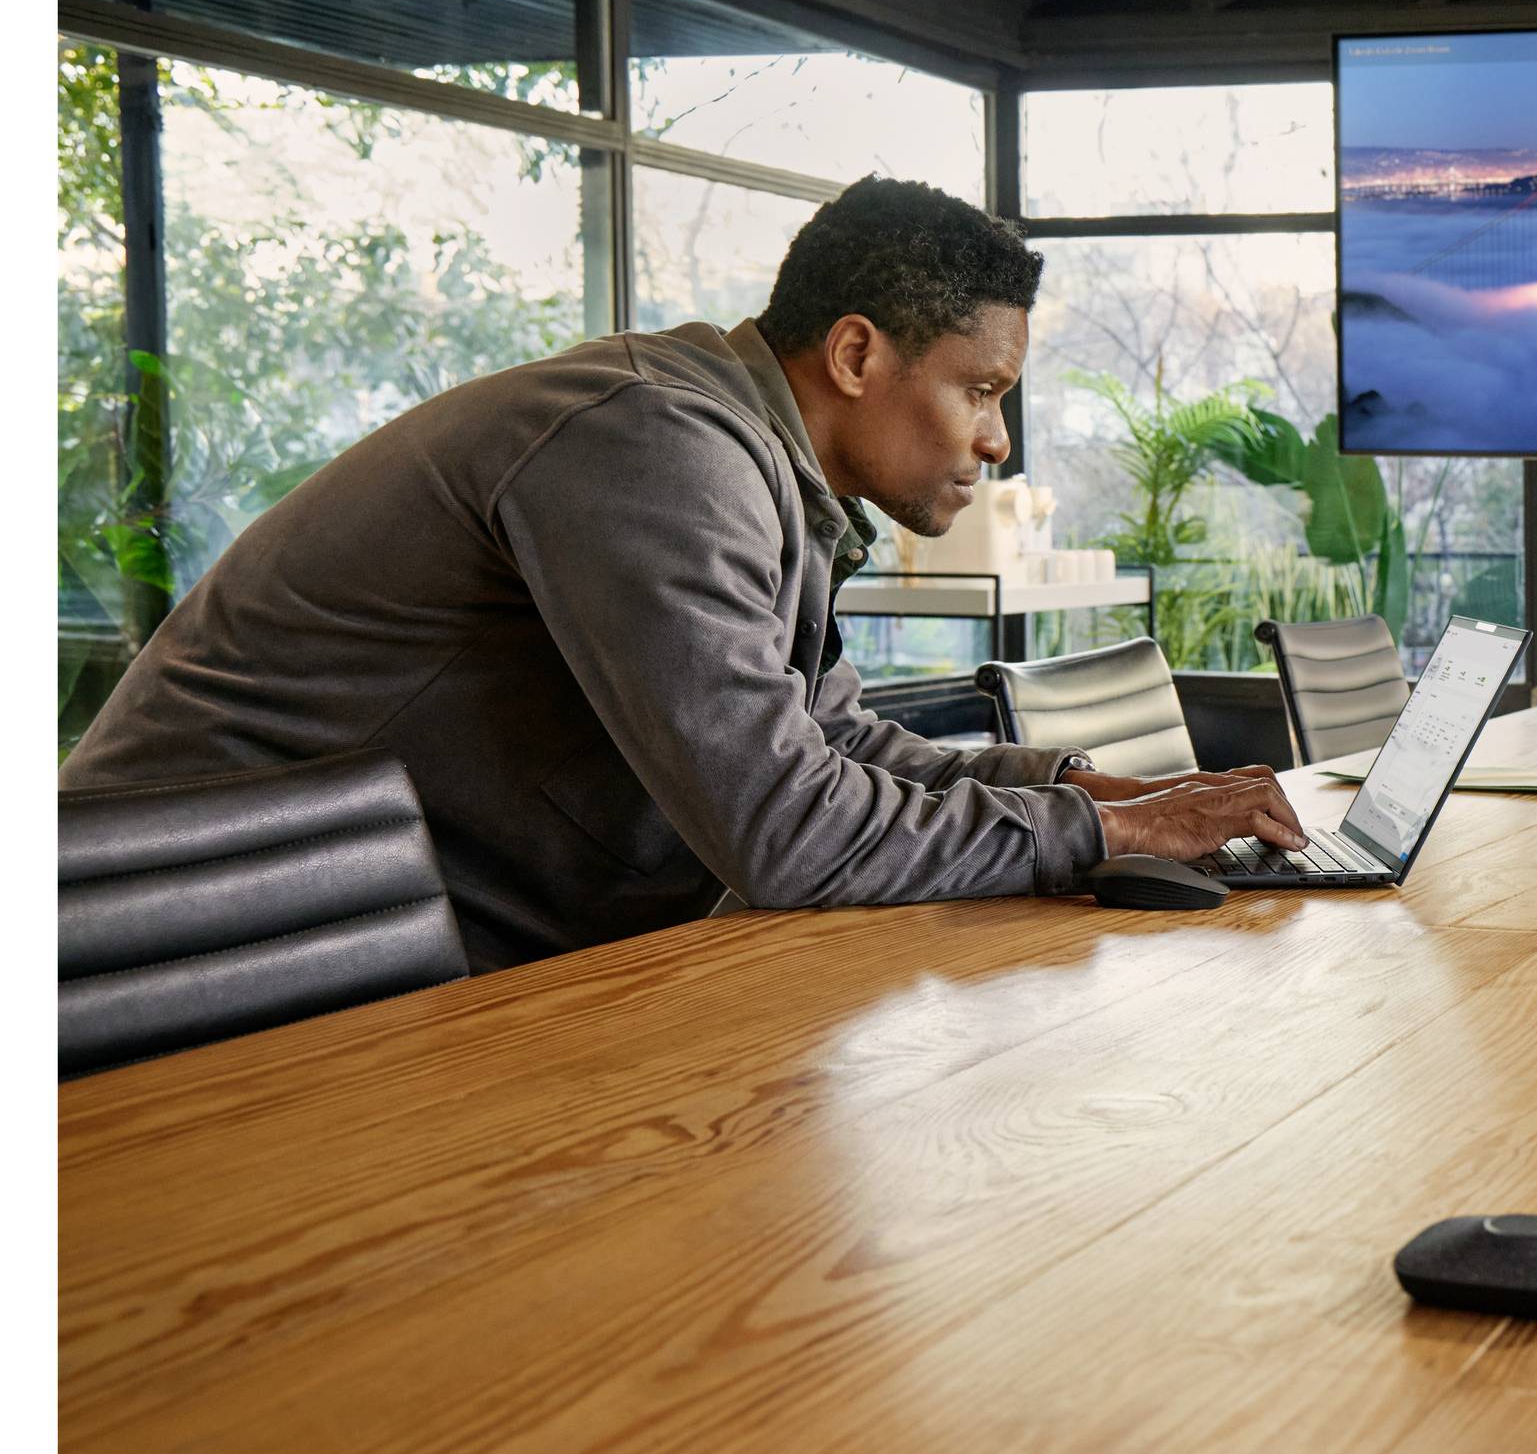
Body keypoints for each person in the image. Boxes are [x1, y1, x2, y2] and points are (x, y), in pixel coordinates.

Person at [60, 176, 1306, 971]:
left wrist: (1086, 784)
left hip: (376, 954)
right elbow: (792, 835)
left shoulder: (747, 461)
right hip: (167, 961)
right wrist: (1101, 830)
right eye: (981, 393)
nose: (996, 441)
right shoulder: (654, 443)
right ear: (859, 353)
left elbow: (830, 752)